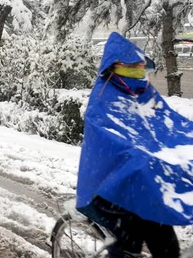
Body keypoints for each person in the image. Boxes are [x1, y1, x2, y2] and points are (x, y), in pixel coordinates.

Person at [76, 32, 193, 258]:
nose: (138, 72)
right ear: (115, 67)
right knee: (127, 244)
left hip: (145, 184)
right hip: (112, 187)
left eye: (141, 67)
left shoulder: (144, 92)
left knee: (167, 245)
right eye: (132, 67)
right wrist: (138, 155)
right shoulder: (104, 95)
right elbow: (106, 136)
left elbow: (168, 125)